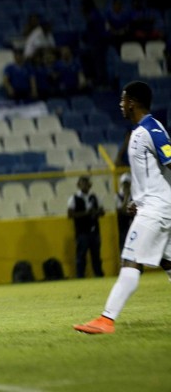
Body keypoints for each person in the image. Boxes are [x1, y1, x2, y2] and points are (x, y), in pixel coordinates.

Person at [74, 81, 171, 334]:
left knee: (130, 260)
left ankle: (107, 319)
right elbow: (156, 174)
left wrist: (150, 203)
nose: (120, 105)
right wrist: (137, 200)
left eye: (123, 100)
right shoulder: (141, 132)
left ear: (133, 102)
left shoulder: (151, 129)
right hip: (155, 207)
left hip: (156, 211)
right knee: (169, 263)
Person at [67, 175, 105, 278]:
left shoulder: (95, 197)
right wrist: (86, 213)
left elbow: (102, 212)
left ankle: (98, 274)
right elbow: (70, 214)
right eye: (82, 183)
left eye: (86, 183)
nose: (85, 185)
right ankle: (80, 276)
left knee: (96, 255)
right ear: (78, 185)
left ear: (90, 185)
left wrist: (95, 212)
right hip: (82, 232)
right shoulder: (74, 198)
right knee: (81, 255)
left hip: (94, 231)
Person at [115, 172, 134, 252]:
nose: (126, 186)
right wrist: (126, 197)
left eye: (127, 184)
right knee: (124, 250)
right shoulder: (118, 196)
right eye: (124, 184)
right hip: (123, 229)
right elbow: (122, 211)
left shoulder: (134, 195)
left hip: (133, 227)